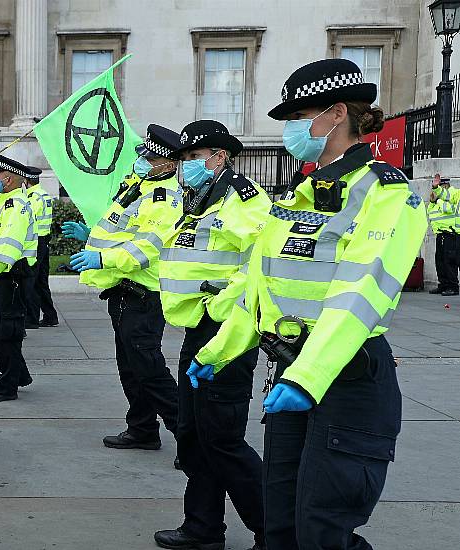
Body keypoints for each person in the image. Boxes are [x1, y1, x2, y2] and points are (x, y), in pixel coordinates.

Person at [193, 58, 427, 550]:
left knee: (322, 531)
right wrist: (220, 351)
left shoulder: (384, 191)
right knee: (280, 523)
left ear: (337, 113)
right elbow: (263, 288)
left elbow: (360, 292)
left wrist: (308, 376)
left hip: (345, 378)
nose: (292, 130)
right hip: (290, 372)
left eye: (300, 117)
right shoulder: (304, 192)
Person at [154, 119, 270, 550]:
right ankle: (202, 526)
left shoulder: (244, 198)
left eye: (191, 158)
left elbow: (258, 266)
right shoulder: (198, 200)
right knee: (193, 436)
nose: (183, 166)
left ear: (219, 157)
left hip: (227, 331)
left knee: (221, 438)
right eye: (182, 158)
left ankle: (273, 528)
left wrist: (223, 316)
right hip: (196, 329)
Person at [64, 124, 183, 453]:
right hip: (124, 293)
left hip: (144, 297)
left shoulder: (166, 199)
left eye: (151, 156)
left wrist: (100, 257)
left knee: (150, 372)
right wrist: (89, 234)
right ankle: (142, 429)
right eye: (143, 153)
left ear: (170, 164)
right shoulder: (140, 188)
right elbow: (125, 232)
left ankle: (190, 438)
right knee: (132, 370)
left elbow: (147, 249)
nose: (143, 159)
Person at [0, 155, 38, 402]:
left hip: (10, 275)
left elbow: (10, 245)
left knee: (6, 331)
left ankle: (7, 385)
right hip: (3, 275)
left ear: (8, 178)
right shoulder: (4, 203)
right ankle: (19, 373)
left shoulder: (16, 205)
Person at [24, 166, 59, 327]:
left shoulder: (33, 198)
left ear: (26, 181)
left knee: (31, 280)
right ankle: (50, 315)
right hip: (44, 241)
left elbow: (28, 220)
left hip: (35, 242)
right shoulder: (44, 195)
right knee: (41, 281)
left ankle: (31, 319)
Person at [427, 173, 459, 295]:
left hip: (450, 233)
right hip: (440, 234)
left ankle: (453, 286)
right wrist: (433, 201)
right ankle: (443, 284)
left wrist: (438, 200)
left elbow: (448, 209)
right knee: (439, 261)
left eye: (439, 187)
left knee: (449, 260)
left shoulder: (454, 194)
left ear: (445, 185)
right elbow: (430, 211)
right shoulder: (438, 197)